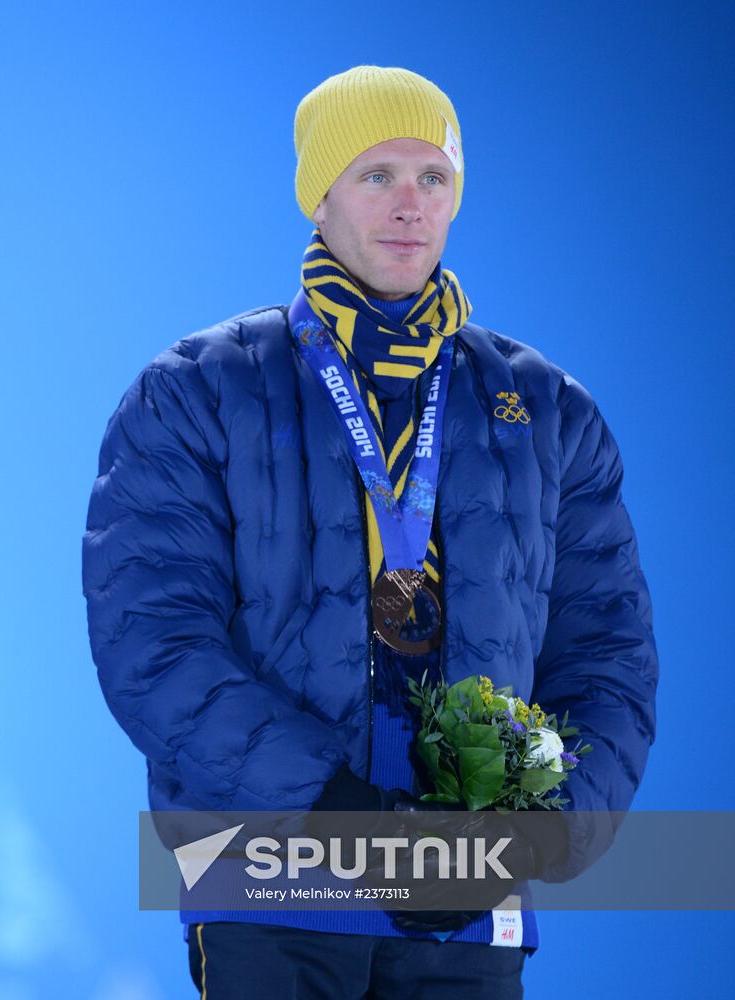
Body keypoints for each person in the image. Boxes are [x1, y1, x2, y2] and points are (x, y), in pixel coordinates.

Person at [81, 65, 659, 999]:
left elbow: (609, 658)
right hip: (272, 893)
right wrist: (338, 816)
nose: (409, 205)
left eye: (433, 178)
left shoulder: (548, 411)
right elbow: (153, 645)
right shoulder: (194, 390)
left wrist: (543, 827)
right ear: (320, 195)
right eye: (375, 174)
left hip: (467, 906)